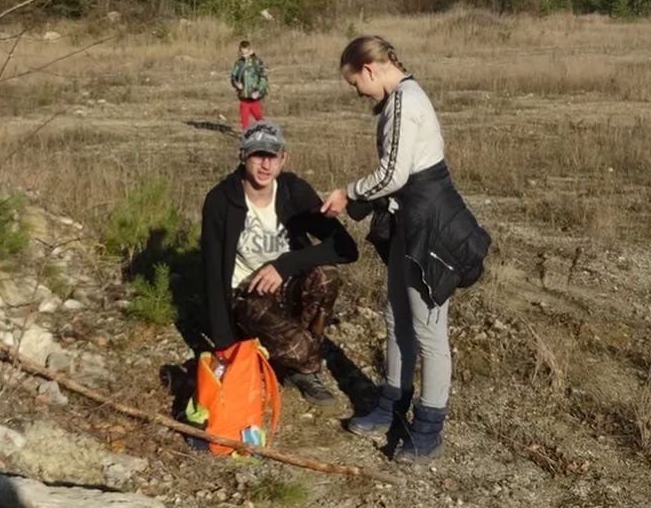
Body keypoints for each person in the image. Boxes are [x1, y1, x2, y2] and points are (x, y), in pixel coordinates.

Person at [320, 35, 490, 462]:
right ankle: (391, 404)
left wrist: (348, 193)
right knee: (397, 316)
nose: (358, 93)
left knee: (430, 333)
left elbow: (393, 175)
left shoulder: (404, 103)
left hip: (428, 229)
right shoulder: (401, 99)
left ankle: (428, 429)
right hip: (409, 222)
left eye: (356, 83)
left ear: (370, 70)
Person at [201, 119, 358, 404]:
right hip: (248, 294)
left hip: (289, 286)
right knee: (298, 350)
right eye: (258, 155)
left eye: (272, 156)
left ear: (283, 158)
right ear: (242, 156)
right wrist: (224, 346)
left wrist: (284, 265)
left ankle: (299, 362)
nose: (265, 165)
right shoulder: (220, 201)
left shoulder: (293, 191)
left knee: (326, 275)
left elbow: (346, 247)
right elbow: (212, 273)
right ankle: (301, 359)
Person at [230, 39, 268, 130]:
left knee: (258, 117)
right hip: (243, 97)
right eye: (242, 53)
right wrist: (236, 84)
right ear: (240, 52)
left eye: (246, 53)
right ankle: (245, 135)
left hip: (254, 97)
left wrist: (258, 91)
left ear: (251, 51)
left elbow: (263, 79)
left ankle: (265, 130)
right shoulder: (238, 64)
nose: (244, 55)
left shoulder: (257, 62)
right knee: (244, 119)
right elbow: (233, 77)